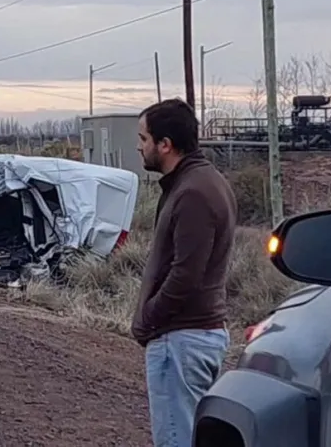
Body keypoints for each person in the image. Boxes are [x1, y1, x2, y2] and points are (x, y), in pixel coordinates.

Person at [130, 98, 237, 447]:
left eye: (144, 138)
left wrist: (149, 319)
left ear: (165, 144)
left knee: (176, 440)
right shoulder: (203, 182)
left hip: (181, 341)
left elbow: (185, 276)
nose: (139, 146)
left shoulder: (193, 192)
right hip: (192, 337)